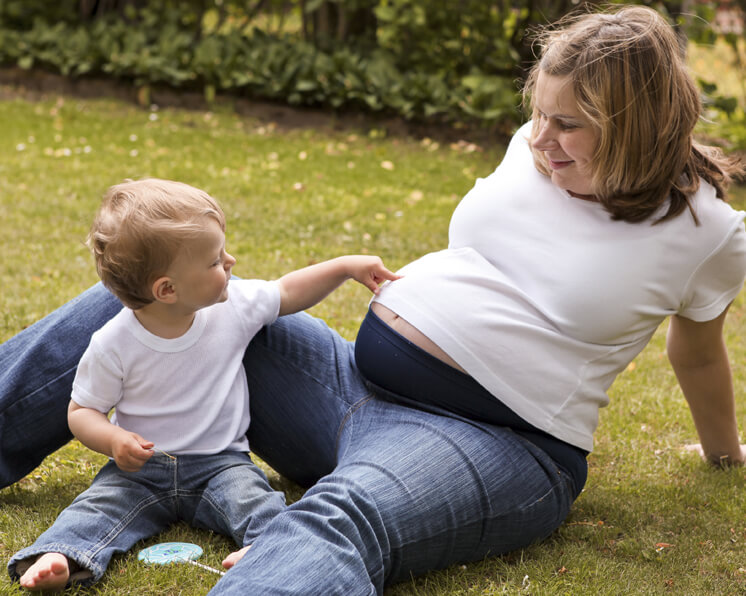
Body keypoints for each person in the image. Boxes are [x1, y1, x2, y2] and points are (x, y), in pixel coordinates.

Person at [1, 4, 745, 594]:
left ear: (637, 126)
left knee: (339, 518)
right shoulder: (535, 143)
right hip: (348, 389)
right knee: (148, 306)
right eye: (539, 112)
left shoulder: (707, 232)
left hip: (495, 442)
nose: (540, 136)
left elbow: (699, 348)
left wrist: (723, 454)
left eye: (568, 125)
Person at [6, 178, 398, 592]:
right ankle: (60, 554)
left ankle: (267, 547)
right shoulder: (112, 343)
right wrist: (112, 441)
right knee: (96, 507)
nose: (230, 262)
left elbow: (287, 291)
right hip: (142, 472)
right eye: (214, 261)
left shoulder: (234, 307)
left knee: (258, 503)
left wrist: (344, 267)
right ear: (167, 289)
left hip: (221, 463)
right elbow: (81, 411)